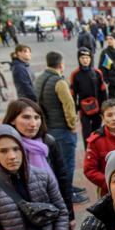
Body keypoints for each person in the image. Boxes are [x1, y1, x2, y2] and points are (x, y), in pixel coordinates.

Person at [0, 99, 77, 230]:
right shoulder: (2, 147)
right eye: (26, 117)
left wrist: (69, 214)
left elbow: (63, 180)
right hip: (16, 218)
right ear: (12, 120)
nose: (33, 124)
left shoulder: (48, 142)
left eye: (37, 117)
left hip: (50, 211)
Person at [35, 52, 88, 205]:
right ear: (60, 64)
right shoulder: (60, 82)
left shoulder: (40, 78)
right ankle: (67, 194)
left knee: (57, 162)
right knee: (67, 164)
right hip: (62, 130)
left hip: (49, 127)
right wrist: (72, 126)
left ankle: (67, 187)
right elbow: (69, 106)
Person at [69, 47, 108, 147]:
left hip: (97, 108)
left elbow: (103, 92)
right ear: (79, 59)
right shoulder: (75, 74)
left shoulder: (97, 72)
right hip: (84, 110)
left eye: (87, 57)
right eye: (82, 58)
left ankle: (97, 152)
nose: (85, 60)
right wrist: (75, 109)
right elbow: (72, 94)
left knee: (97, 132)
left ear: (91, 58)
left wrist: (104, 109)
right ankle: (89, 153)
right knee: (86, 134)